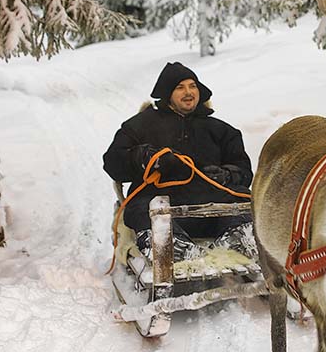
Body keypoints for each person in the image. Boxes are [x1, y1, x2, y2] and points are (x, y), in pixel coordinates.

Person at [103, 62, 254, 262]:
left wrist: (228, 174)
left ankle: (238, 239)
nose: (188, 92)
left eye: (193, 86)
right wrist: (142, 157)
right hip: (160, 203)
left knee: (244, 201)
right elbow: (112, 163)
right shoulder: (140, 125)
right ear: (167, 93)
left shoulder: (221, 130)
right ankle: (172, 247)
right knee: (146, 208)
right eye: (180, 87)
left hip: (212, 206)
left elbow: (244, 170)